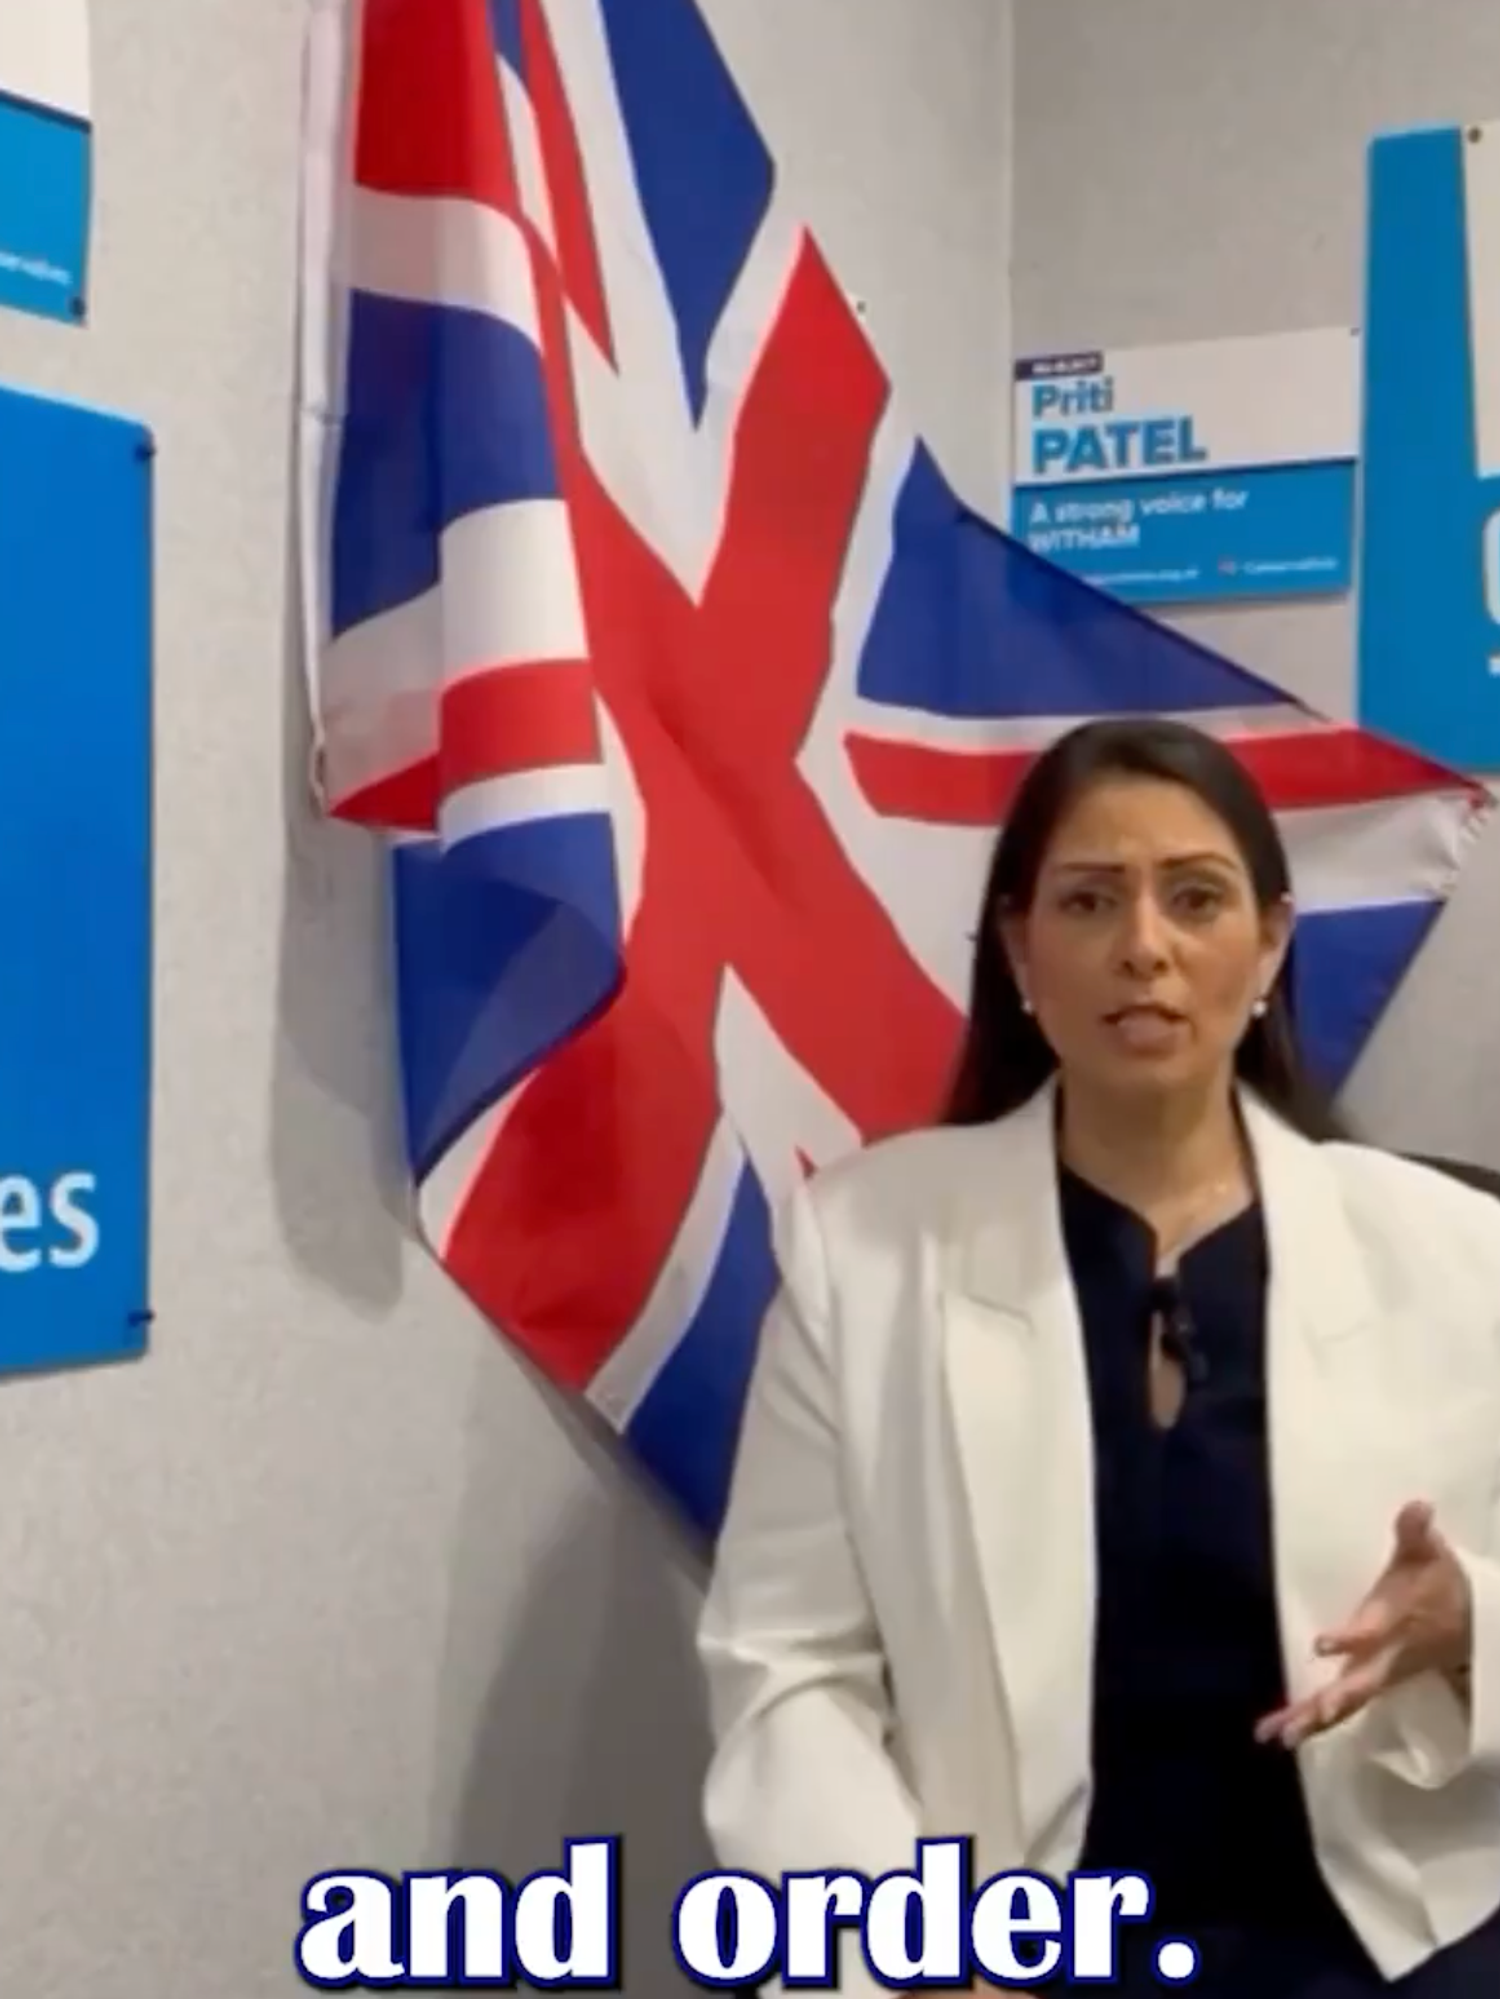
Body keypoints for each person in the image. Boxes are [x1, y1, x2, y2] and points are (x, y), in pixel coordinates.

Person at [695, 716, 1500, 1997]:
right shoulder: (864, 1250)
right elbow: (787, 1670)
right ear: (1020, 948)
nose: (1145, 947)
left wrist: (1473, 1630)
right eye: (1088, 900)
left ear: (1271, 944)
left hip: (1391, 1935)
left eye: (1196, 898)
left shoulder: (1459, 1253)